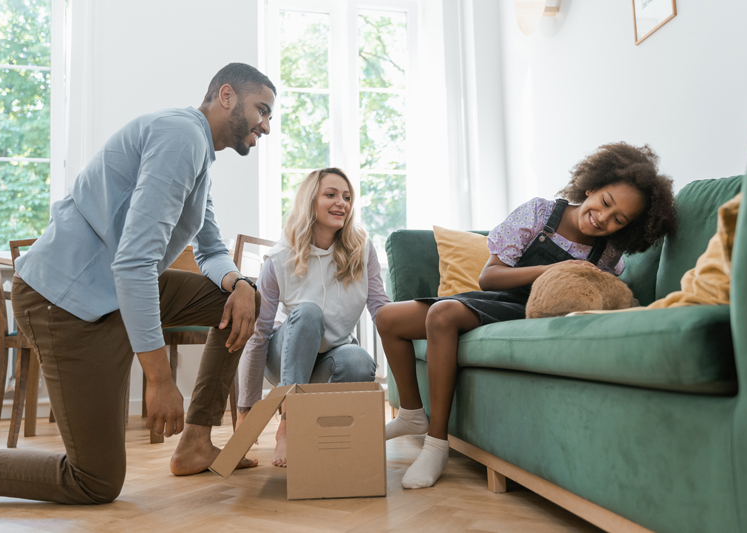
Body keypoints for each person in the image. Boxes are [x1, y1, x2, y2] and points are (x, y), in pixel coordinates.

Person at [0, 63, 276, 504]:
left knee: (231, 304)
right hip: (63, 306)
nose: (266, 126)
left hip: (111, 296)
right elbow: (134, 261)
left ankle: (195, 442)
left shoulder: (196, 156)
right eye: (261, 110)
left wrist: (243, 285)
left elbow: (211, 251)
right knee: (94, 480)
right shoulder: (181, 137)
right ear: (226, 96)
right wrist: (159, 378)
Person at [376, 142, 679, 489]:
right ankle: (412, 415)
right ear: (592, 187)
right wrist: (552, 269)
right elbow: (488, 278)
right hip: (498, 297)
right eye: (605, 203)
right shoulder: (539, 213)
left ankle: (436, 443)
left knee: (442, 314)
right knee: (387, 318)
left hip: (534, 313)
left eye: (618, 221)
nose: (603, 218)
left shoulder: (608, 253)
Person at [236, 167, 390, 467]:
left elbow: (381, 308)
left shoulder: (362, 250)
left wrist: (411, 326)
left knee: (359, 360)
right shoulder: (280, 259)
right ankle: (290, 423)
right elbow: (260, 334)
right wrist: (247, 405)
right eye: (330, 195)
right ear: (310, 202)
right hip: (284, 357)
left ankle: (322, 434)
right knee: (308, 313)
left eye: (346, 197)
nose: (341, 203)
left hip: (330, 358)